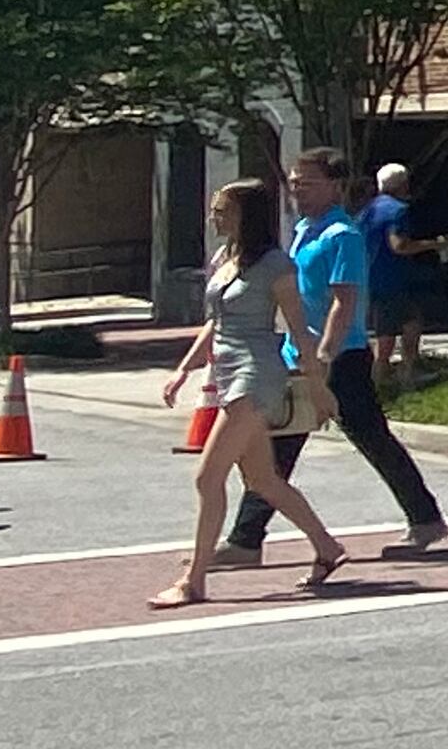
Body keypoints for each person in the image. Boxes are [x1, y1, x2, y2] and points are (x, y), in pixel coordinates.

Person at [214, 148, 447, 568]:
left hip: (341, 357)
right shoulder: (305, 229)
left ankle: (425, 519)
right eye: (294, 180)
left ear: (335, 186)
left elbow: (345, 301)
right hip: (298, 355)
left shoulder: (343, 235)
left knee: (367, 438)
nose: (297, 189)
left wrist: (323, 355)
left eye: (307, 181)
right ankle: (246, 540)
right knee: (280, 443)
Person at [154, 179, 346, 607]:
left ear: (247, 215)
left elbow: (300, 330)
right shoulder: (225, 258)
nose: (213, 218)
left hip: (257, 375)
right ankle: (327, 547)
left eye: (222, 210)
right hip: (227, 372)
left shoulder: (276, 265)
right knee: (261, 479)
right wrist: (184, 370)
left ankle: (194, 581)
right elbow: (216, 323)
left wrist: (317, 389)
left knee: (207, 477)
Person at [362, 161, 437, 391]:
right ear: (402, 185)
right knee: (394, 332)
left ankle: (389, 377)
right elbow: (399, 245)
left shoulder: (367, 211)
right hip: (392, 279)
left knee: (402, 325)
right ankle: (394, 377)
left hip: (369, 278)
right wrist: (432, 245)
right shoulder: (398, 210)